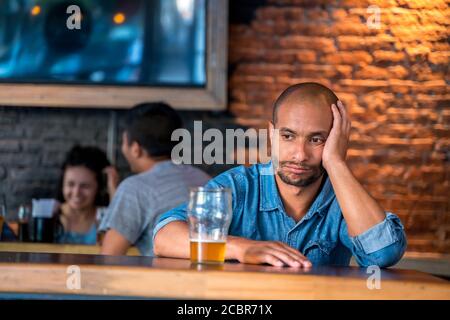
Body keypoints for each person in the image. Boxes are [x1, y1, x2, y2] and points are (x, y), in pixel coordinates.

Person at [153, 82, 407, 268]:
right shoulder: (239, 186)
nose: (299, 154)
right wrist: (241, 247)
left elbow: (381, 253)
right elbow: (164, 237)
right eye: (288, 136)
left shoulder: (343, 199)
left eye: (317, 139)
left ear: (336, 141)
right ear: (272, 134)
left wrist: (336, 163)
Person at [99, 102, 211, 256]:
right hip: (214, 277)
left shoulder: (134, 188)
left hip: (164, 279)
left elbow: (109, 255)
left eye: (123, 142)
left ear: (135, 149)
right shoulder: (206, 180)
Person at [55, 145, 117, 245]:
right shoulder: (51, 215)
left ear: (99, 187)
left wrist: (113, 189)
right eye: (70, 184)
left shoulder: (104, 217)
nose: (76, 193)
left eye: (85, 186)